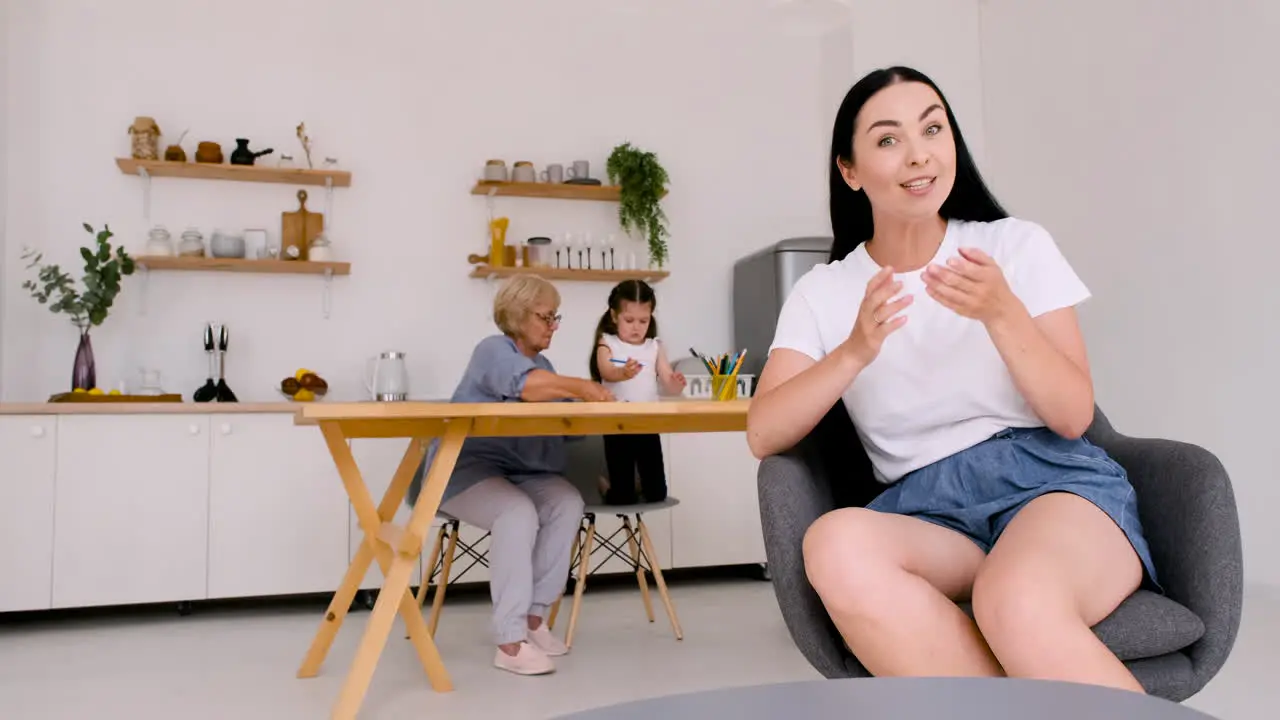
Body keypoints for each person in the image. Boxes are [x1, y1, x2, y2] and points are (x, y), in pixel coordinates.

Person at [746, 66, 1160, 694]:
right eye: (888, 140)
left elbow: (1074, 415)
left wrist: (1001, 312)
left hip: (1051, 488)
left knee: (1013, 596)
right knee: (834, 541)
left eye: (932, 129)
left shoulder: (1014, 246)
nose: (919, 155)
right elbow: (763, 431)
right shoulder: (823, 292)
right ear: (850, 171)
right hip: (928, 514)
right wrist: (854, 352)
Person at [408, 274, 614, 676]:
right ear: (519, 316)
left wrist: (582, 404)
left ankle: (535, 618)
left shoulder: (545, 365)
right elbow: (526, 387)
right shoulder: (492, 351)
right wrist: (583, 387)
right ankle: (509, 639)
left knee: (567, 502)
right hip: (464, 473)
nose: (553, 326)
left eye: (556, 318)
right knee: (516, 513)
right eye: (546, 317)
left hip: (521, 472)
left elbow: (551, 406)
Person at [588, 279, 686, 504]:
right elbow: (606, 370)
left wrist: (675, 383)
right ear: (614, 316)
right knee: (623, 496)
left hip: (647, 423)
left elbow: (668, 380)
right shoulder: (607, 342)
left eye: (643, 320)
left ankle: (641, 483)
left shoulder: (654, 346)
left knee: (657, 494)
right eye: (629, 320)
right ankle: (610, 488)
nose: (636, 327)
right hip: (616, 425)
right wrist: (622, 373)